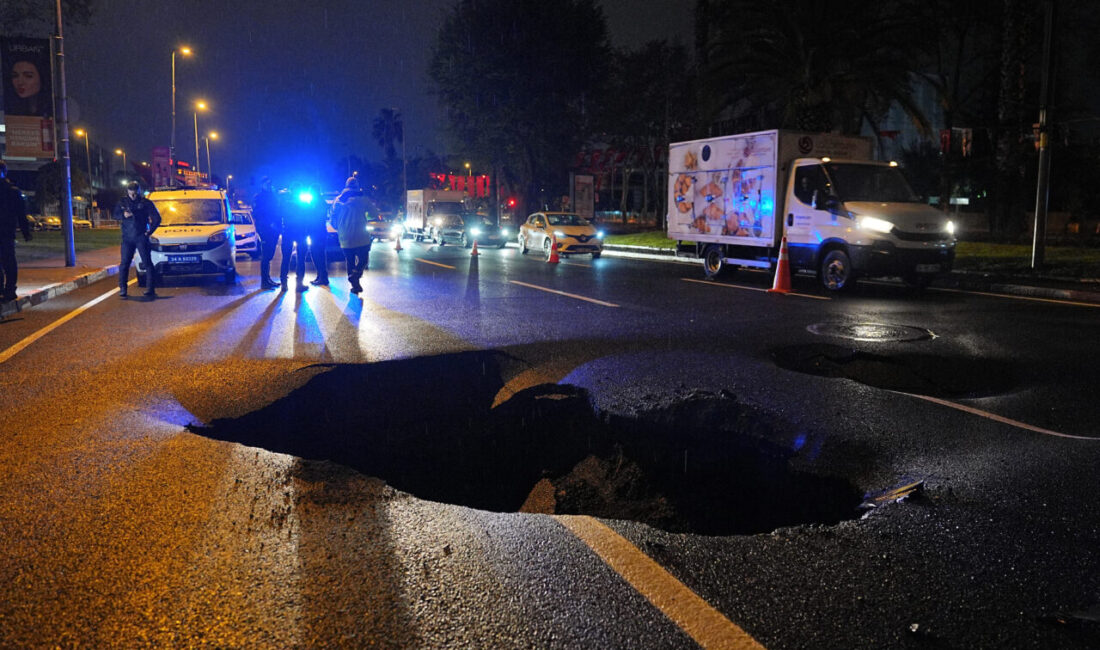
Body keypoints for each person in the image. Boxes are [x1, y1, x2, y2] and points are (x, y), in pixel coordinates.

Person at [113, 181, 161, 298]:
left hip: (141, 236)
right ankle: (123, 289)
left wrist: (149, 232)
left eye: (135, 193)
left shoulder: (145, 203)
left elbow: (157, 218)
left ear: (138, 191)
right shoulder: (122, 202)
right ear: (128, 192)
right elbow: (115, 214)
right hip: (127, 237)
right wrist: (123, 215)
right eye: (131, 193)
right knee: (124, 263)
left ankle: (150, 289)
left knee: (147, 263)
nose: (133, 196)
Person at [329, 176, 374, 295]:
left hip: (345, 236)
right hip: (361, 236)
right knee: (363, 260)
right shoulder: (363, 199)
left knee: (350, 261)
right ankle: (356, 275)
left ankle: (355, 284)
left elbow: (332, 217)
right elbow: (374, 213)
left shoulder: (338, 200)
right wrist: (365, 217)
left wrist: (339, 228)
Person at [0, 161, 33, 302]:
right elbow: (21, 213)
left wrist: (25, 230)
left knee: (7, 260)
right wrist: (26, 231)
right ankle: (9, 290)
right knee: (8, 260)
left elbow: (21, 212)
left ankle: (6, 289)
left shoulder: (11, 190)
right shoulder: (13, 190)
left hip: (6, 230)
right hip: (7, 230)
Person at [251, 177, 282, 289]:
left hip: (274, 230)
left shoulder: (273, 196)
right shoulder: (259, 197)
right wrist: (269, 224)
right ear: (262, 185)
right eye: (267, 184)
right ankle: (264, 282)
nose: (269, 186)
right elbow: (257, 214)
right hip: (265, 229)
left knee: (269, 256)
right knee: (266, 256)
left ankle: (268, 279)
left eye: (270, 183)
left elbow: (277, 211)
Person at [279, 185, 310, 292]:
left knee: (286, 259)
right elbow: (308, 218)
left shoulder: (285, 203)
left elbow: (280, 216)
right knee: (301, 259)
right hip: (301, 233)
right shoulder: (304, 204)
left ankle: (284, 284)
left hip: (288, 233)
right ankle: (299, 284)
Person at [305, 183, 330, 286]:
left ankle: (323, 277)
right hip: (317, 232)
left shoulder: (318, 203)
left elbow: (316, 217)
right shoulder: (317, 202)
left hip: (318, 232)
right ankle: (320, 276)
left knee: (317, 254)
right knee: (317, 254)